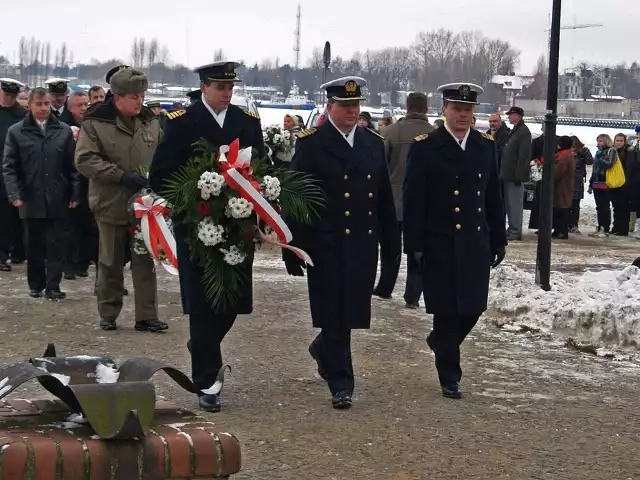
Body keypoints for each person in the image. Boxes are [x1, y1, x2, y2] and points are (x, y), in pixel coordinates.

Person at [149, 61, 265, 413]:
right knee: (201, 304)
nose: (226, 93)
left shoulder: (246, 123)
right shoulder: (181, 123)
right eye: (219, 86)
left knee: (231, 303)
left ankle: (202, 346)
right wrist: (193, 195)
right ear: (203, 87)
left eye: (230, 87)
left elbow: (260, 168)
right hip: (197, 228)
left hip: (237, 226)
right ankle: (207, 382)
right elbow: (161, 175)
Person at [283, 76, 401, 409]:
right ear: (330, 106)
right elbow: (296, 197)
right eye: (345, 106)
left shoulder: (373, 143)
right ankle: (341, 381)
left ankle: (323, 348)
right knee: (333, 313)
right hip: (326, 242)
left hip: (362, 243)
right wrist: (292, 246)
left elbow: (383, 200)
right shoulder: (312, 143)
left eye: (356, 105)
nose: (352, 111)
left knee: (350, 311)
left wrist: (392, 246)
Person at [403, 82, 506, 399]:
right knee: (446, 310)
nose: (462, 115)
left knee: (472, 308)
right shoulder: (426, 146)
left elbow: (493, 196)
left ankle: (440, 342)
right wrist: (414, 245)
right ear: (444, 109)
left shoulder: (484, 146)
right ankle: (450, 375)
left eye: (468, 110)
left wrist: (499, 238)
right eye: (457, 108)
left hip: (475, 241)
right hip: (439, 241)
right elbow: (413, 199)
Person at [75, 67, 164, 332]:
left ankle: (146, 315)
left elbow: (161, 155)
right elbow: (84, 160)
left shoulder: (150, 121)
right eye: (134, 96)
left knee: (144, 260)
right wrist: (120, 176)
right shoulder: (95, 122)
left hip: (144, 205)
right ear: (117, 96)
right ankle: (108, 312)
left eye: (142, 95)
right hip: (110, 200)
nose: (140, 101)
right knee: (110, 260)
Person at [2, 87, 80, 299]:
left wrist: (75, 193)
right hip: (30, 196)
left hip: (58, 195)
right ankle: (36, 283)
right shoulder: (17, 131)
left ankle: (53, 286)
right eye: (39, 104)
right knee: (34, 244)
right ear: (29, 105)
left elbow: (72, 166)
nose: (44, 108)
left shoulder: (63, 131)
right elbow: (10, 166)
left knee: (56, 243)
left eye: (46, 104)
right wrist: (14, 193)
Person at [372, 92, 434, 308]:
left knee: (390, 246)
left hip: (393, 198)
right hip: (424, 202)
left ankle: (385, 287)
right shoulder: (435, 134)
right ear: (426, 108)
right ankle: (413, 294)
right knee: (418, 249)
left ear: (407, 107)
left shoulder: (392, 131)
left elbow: (380, 164)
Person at [0, 78, 27, 272]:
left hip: (15, 171)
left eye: (12, 95)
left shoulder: (22, 115)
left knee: (12, 216)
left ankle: (15, 251)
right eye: (6, 94)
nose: (9, 98)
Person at [500, 106, 532, 241]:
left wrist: (519, 175)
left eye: (511, 115)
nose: (508, 117)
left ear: (518, 115)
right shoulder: (517, 131)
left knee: (514, 205)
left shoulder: (523, 132)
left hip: (514, 176)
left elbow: (524, 156)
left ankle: (515, 230)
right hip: (509, 174)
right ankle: (512, 229)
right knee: (509, 204)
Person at [588, 134, 618, 237]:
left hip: (606, 182)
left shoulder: (611, 151)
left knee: (605, 206)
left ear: (606, 141)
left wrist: (600, 157)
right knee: (599, 206)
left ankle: (605, 228)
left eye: (601, 141)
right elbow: (594, 168)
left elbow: (610, 164)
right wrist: (591, 182)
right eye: (598, 141)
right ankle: (600, 226)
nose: (598, 143)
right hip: (597, 182)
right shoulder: (598, 152)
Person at [552, 136, 576, 239]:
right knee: (560, 208)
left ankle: (562, 231)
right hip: (564, 185)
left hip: (562, 186)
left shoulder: (564, 155)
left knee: (562, 208)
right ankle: (558, 230)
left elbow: (558, 171)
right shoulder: (567, 154)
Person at [569, 136, 593, 234]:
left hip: (577, 181)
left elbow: (590, 161)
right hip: (567, 181)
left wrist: (581, 154)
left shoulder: (583, 151)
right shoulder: (566, 152)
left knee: (575, 205)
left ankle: (574, 225)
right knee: (566, 204)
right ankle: (566, 224)